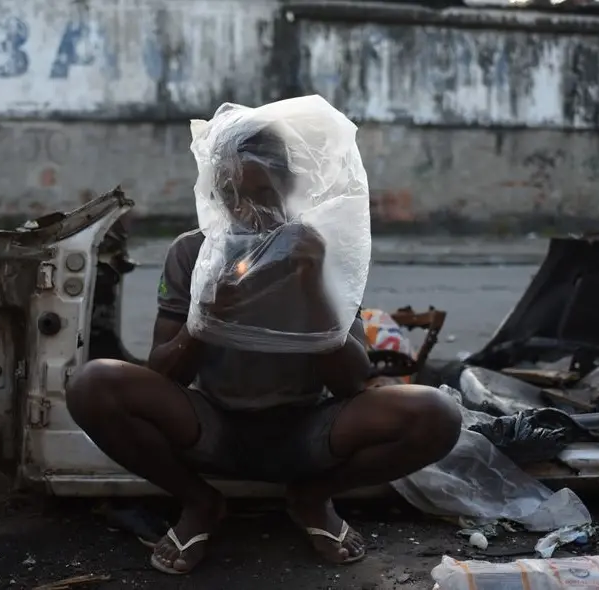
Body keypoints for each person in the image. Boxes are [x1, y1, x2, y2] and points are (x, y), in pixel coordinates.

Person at [65, 124, 462, 575]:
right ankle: (200, 501)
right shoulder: (193, 253)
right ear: (216, 194)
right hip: (211, 422)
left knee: (437, 413)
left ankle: (312, 497)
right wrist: (205, 318)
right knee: (93, 383)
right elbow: (164, 371)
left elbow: (352, 380)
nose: (246, 208)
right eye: (232, 194)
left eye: (263, 192)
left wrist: (310, 286)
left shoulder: (319, 252)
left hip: (308, 426)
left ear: (290, 188)